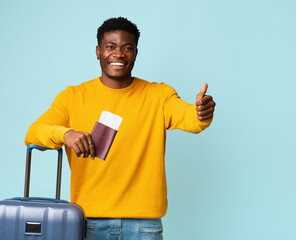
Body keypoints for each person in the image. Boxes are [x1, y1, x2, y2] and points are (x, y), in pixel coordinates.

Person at [25, 17, 215, 240]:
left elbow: (190, 118)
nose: (118, 54)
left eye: (127, 48)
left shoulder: (159, 95)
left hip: (144, 226)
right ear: (98, 51)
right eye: (110, 47)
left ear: (135, 53)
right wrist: (64, 133)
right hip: (88, 222)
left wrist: (201, 113)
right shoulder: (73, 97)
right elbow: (34, 132)